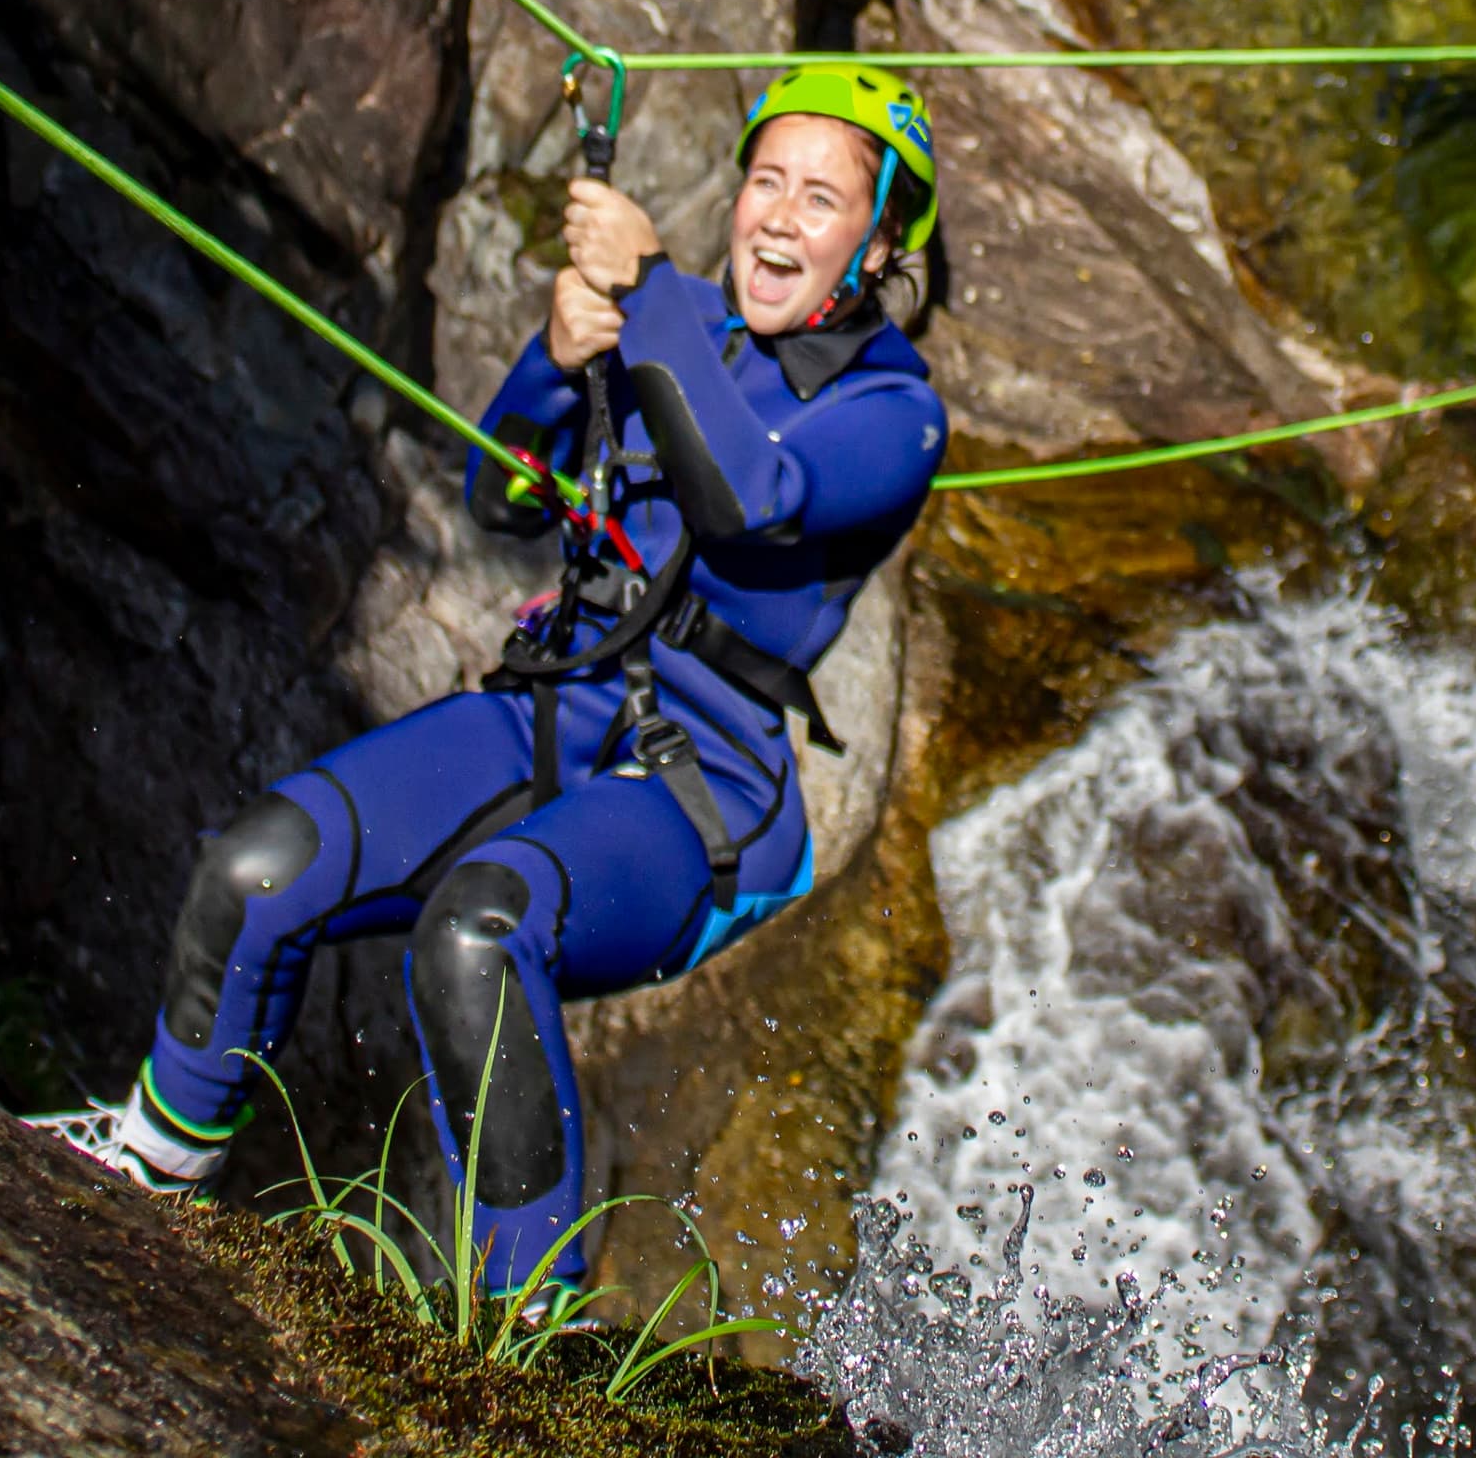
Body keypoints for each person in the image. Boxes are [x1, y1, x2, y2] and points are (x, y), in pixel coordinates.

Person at [77, 69, 949, 1296]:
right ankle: (148, 1176)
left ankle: (531, 1334)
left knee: (479, 933)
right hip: (554, 703)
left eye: (822, 197)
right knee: (256, 867)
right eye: (766, 181)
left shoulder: (893, 410)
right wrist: (554, 356)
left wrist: (645, 302)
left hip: (697, 778)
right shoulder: (678, 319)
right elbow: (501, 495)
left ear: (877, 241)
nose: (778, 218)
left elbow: (750, 496)